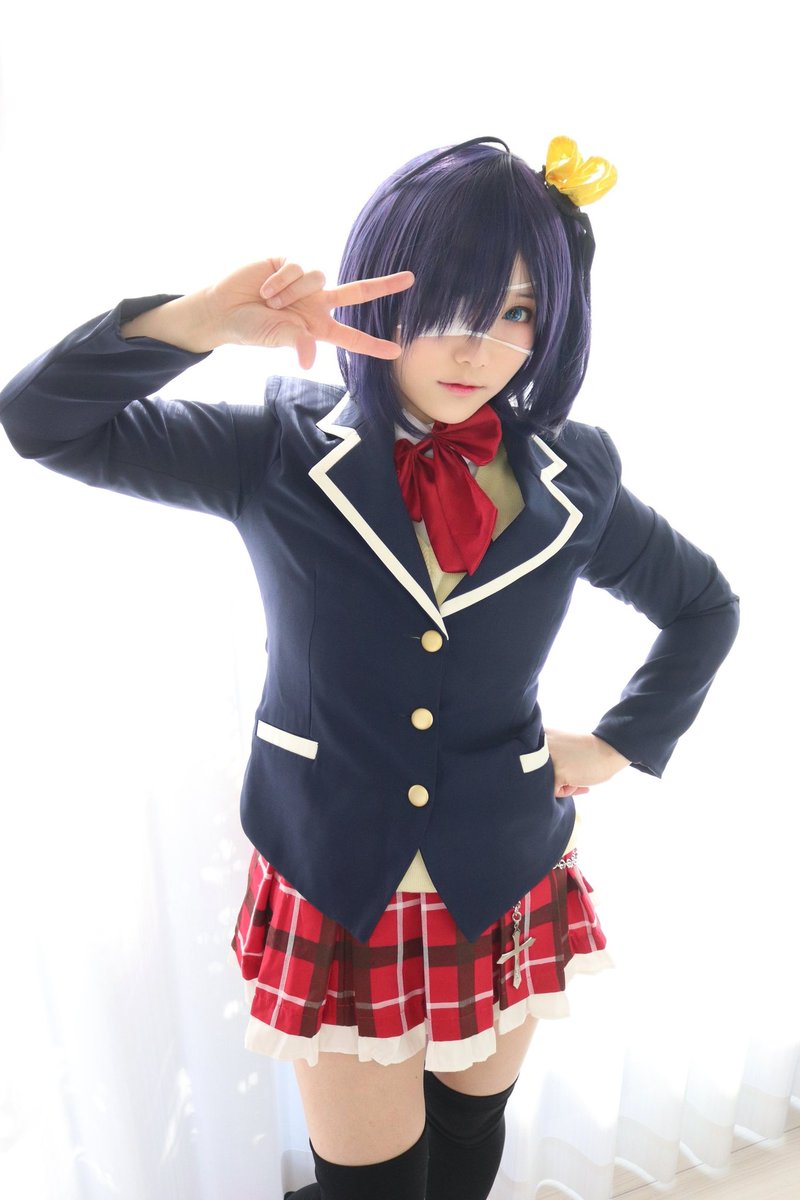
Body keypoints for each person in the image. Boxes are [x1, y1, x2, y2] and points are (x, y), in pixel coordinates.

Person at [0, 135, 739, 1200]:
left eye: (515, 311)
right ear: (383, 290)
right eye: (448, 302)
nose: (476, 347)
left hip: (503, 865)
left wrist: (619, 744)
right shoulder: (280, 449)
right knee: (375, 1184)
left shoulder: (572, 476)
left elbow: (703, 605)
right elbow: (40, 421)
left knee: (469, 1140)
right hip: (339, 876)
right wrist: (203, 321)